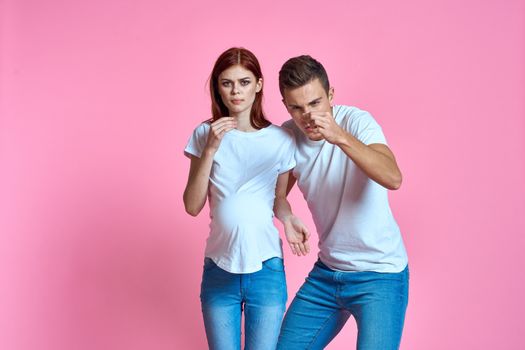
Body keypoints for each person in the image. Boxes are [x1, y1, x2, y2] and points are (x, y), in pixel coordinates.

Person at [275, 55, 409, 350]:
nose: (307, 116)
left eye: (315, 103)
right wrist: (286, 217)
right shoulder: (288, 136)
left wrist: (339, 136)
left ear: (331, 95)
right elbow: (276, 195)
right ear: (285, 105)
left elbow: (392, 177)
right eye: (296, 107)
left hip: (380, 275)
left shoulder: (357, 122)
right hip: (327, 273)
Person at [183, 47, 310, 350]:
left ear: (259, 84)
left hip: (265, 268)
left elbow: (278, 199)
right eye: (227, 83)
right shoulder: (204, 134)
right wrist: (211, 148)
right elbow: (192, 205)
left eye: (243, 82)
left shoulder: (281, 139)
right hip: (219, 268)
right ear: (217, 87)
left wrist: (289, 218)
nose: (235, 91)